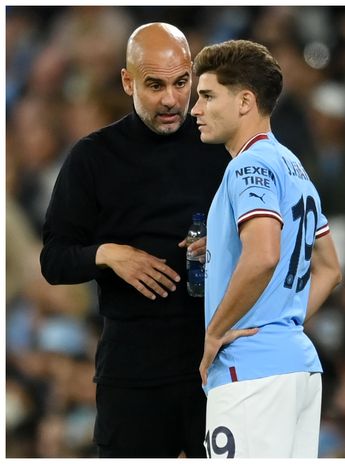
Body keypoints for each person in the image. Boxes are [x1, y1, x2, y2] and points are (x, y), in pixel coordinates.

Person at [40, 23, 230, 458]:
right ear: (128, 82)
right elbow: (54, 259)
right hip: (132, 372)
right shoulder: (93, 157)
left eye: (182, 83)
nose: (170, 99)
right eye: (154, 84)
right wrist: (109, 254)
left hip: (215, 366)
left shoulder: (221, 147)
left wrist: (225, 246)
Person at [191, 39, 342, 458]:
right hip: (298, 368)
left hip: (250, 371)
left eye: (206, 96)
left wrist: (214, 332)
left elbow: (263, 254)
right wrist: (282, 321)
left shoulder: (247, 165)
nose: (195, 110)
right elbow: (329, 268)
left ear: (244, 102)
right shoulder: (292, 165)